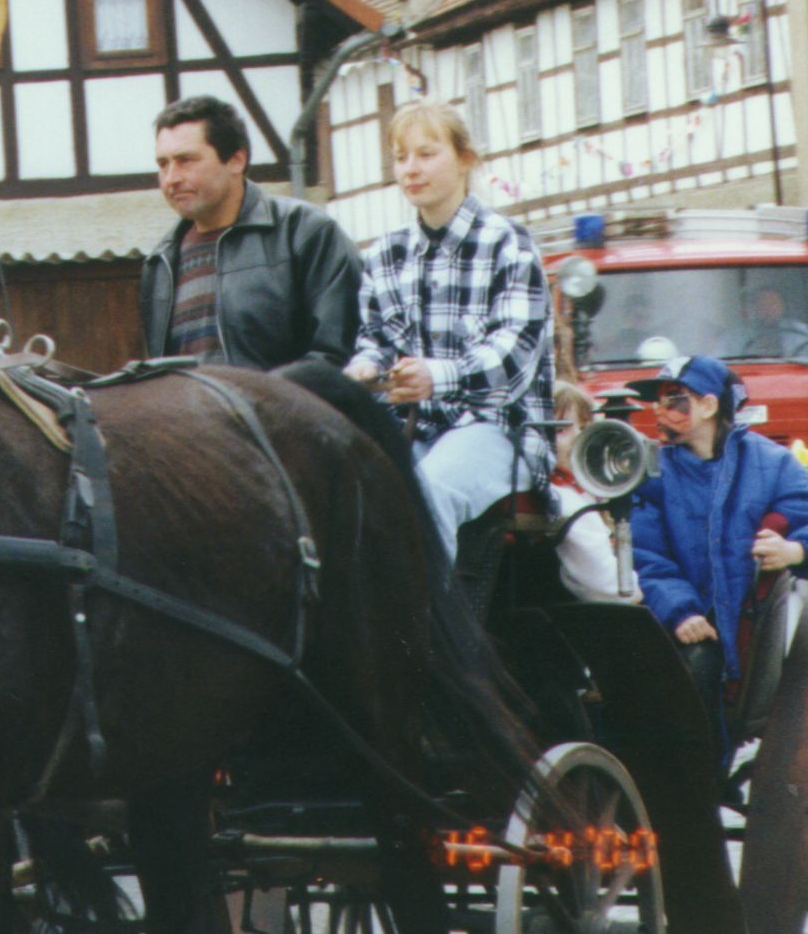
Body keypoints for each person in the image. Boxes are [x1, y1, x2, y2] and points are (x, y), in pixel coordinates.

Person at [345, 101, 554, 563]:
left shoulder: (509, 243)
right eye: (401, 158)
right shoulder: (385, 254)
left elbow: (513, 361)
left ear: (464, 159)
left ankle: (427, 631)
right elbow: (374, 341)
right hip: (415, 431)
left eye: (426, 154)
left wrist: (436, 377)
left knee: (424, 492)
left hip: (502, 430)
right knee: (340, 488)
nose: (411, 169)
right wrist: (363, 369)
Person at [626, 354, 808, 754]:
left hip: (758, 632)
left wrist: (795, 549)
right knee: (694, 668)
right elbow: (647, 557)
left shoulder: (772, 463)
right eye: (656, 400)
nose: (658, 410)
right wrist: (681, 612)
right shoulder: (651, 472)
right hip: (688, 627)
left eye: (673, 398)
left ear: (709, 405)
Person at [138, 95, 362, 370]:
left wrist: (259, 406)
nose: (171, 178)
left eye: (186, 160)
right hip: (191, 413)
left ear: (236, 160)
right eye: (163, 164)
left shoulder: (305, 233)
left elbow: (336, 355)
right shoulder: (160, 263)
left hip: (287, 413)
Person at [550, 381, 642, 604]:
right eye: (561, 430)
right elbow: (612, 588)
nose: (577, 438)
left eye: (584, 427)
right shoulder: (568, 501)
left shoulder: (585, 490)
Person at [723, 285, 808, 359]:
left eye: (773, 303)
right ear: (755, 307)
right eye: (763, 304)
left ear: (782, 306)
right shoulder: (738, 335)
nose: (768, 309)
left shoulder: (800, 331)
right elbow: (722, 358)